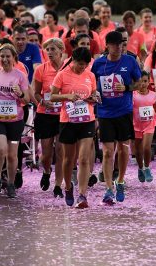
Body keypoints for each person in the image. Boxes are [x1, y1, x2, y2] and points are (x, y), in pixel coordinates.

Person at [91, 30, 142, 205]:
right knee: (107, 152)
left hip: (124, 111)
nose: (119, 47)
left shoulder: (130, 61)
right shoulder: (98, 64)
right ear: (107, 46)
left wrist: (127, 87)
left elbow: (140, 83)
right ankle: (108, 189)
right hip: (105, 113)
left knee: (123, 149)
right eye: (115, 44)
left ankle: (120, 180)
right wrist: (94, 94)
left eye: (121, 44)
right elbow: (91, 83)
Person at [50, 47, 99, 208]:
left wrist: (94, 98)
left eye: (85, 65)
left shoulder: (90, 75)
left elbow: (93, 94)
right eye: (79, 64)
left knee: (84, 159)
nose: (82, 68)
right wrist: (67, 96)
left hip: (87, 120)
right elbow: (52, 96)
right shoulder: (62, 75)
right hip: (68, 121)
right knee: (68, 160)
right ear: (73, 60)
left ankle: (83, 195)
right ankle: (69, 188)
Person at [0, 43, 30, 197]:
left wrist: (20, 94)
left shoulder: (20, 76)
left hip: (15, 121)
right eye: (2, 56)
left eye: (8, 56)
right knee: (1, 148)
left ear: (14, 58)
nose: (4, 59)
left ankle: (10, 183)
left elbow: (26, 100)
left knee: (12, 154)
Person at [33, 38, 66, 196]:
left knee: (61, 151)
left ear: (61, 51)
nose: (50, 52)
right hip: (45, 115)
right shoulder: (41, 69)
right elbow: (35, 93)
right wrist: (43, 102)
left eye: (53, 49)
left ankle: (58, 185)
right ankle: (47, 171)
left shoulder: (67, 69)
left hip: (63, 115)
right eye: (48, 50)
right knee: (46, 155)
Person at [132, 71, 156, 183]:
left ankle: (147, 168)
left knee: (146, 147)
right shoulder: (133, 95)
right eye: (140, 81)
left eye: (145, 81)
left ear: (149, 81)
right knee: (138, 150)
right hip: (136, 125)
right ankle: (140, 168)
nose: (143, 84)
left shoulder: (153, 94)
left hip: (149, 124)